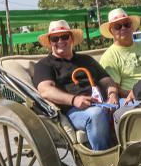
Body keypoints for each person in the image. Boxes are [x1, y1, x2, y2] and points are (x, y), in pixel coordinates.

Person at [32, 20, 120, 150]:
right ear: (50, 42)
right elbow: (46, 90)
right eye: (55, 38)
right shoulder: (44, 65)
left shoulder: (86, 60)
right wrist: (74, 100)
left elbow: (107, 81)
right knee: (96, 114)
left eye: (64, 36)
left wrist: (112, 94)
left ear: (71, 38)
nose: (60, 41)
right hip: (73, 111)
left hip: (103, 103)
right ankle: (104, 162)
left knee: (131, 107)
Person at [99, 8, 141, 105]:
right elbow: (115, 89)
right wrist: (137, 94)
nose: (123, 28)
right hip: (131, 99)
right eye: (117, 26)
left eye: (127, 25)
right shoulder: (109, 56)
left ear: (132, 27)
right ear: (111, 31)